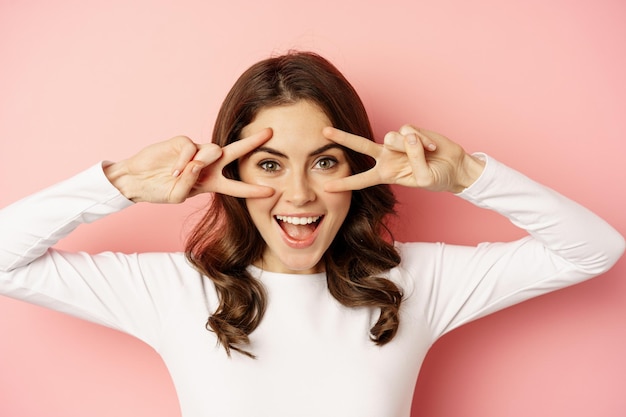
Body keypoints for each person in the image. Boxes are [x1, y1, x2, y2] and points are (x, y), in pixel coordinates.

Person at [0, 51, 623, 417]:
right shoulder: (173, 291)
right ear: (231, 171)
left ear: (355, 167)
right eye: (269, 165)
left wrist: (470, 177)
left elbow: (595, 249)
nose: (298, 195)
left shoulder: (414, 282)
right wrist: (121, 182)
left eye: (324, 161)